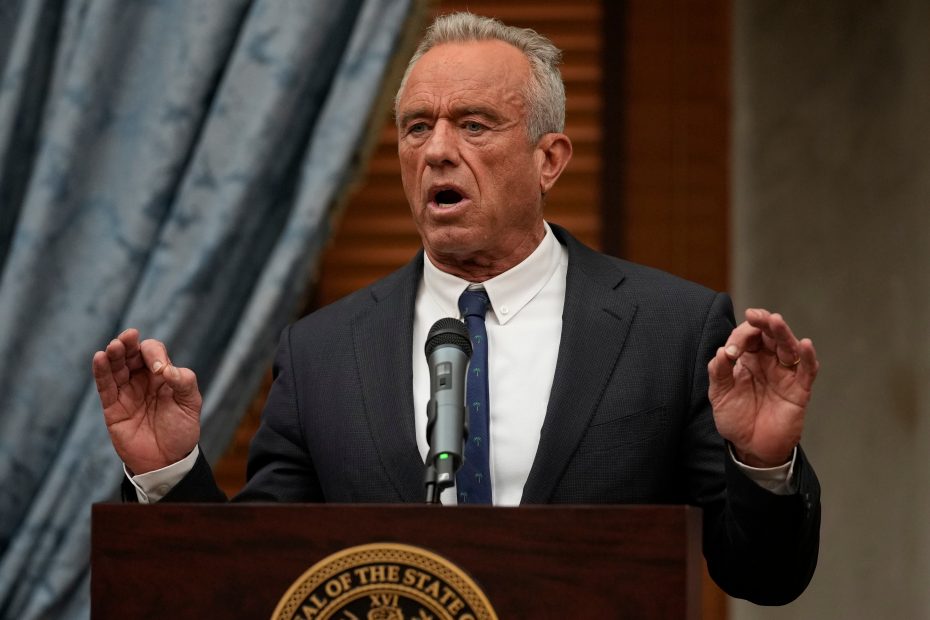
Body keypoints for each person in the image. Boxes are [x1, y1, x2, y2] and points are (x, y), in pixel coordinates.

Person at [92, 12, 820, 605]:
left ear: (550, 159)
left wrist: (761, 464)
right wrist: (169, 473)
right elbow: (254, 579)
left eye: (473, 125)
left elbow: (765, 578)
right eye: (417, 127)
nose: (438, 150)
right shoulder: (321, 353)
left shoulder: (671, 329)